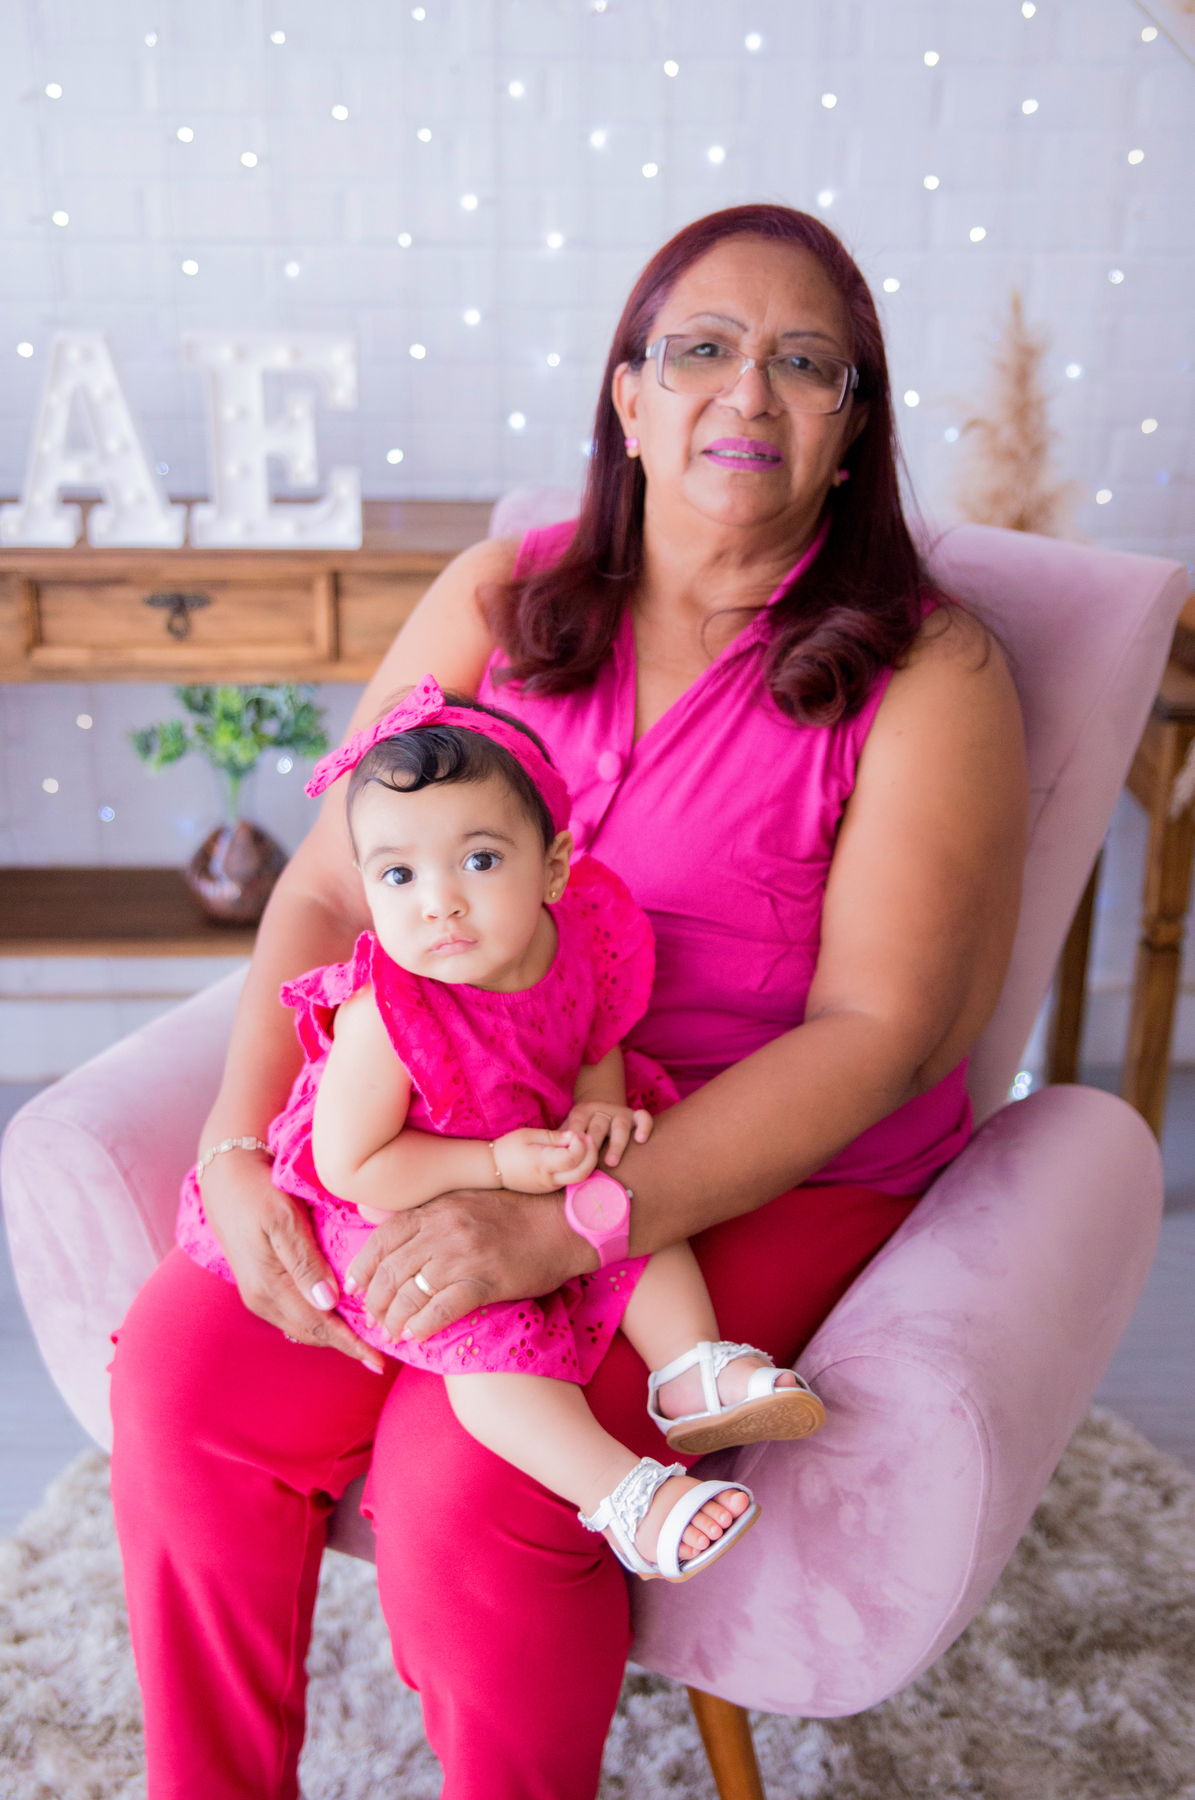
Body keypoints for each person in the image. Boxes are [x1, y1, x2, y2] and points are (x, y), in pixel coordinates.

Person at [109, 202, 1027, 1800]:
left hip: (751, 1156)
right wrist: (241, 1147)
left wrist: (563, 1227)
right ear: (628, 396)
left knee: (474, 1474)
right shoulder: (498, 598)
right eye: (702, 351)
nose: (746, 397)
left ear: (853, 426)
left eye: (806, 365)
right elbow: (329, 892)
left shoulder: (928, 671)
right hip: (445, 1122)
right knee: (184, 1378)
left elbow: (885, 1037)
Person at [175, 677, 827, 1581]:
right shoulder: (386, 1018)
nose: (438, 902)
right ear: (368, 890)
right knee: (487, 1345)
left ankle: (691, 1370)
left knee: (628, 1205)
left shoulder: (572, 937)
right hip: (405, 1181)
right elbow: (353, 1162)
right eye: (399, 876)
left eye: (478, 861)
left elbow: (593, 1028)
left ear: (553, 866)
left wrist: (599, 1101)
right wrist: (492, 1165)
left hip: (530, 1144)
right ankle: (628, 1495)